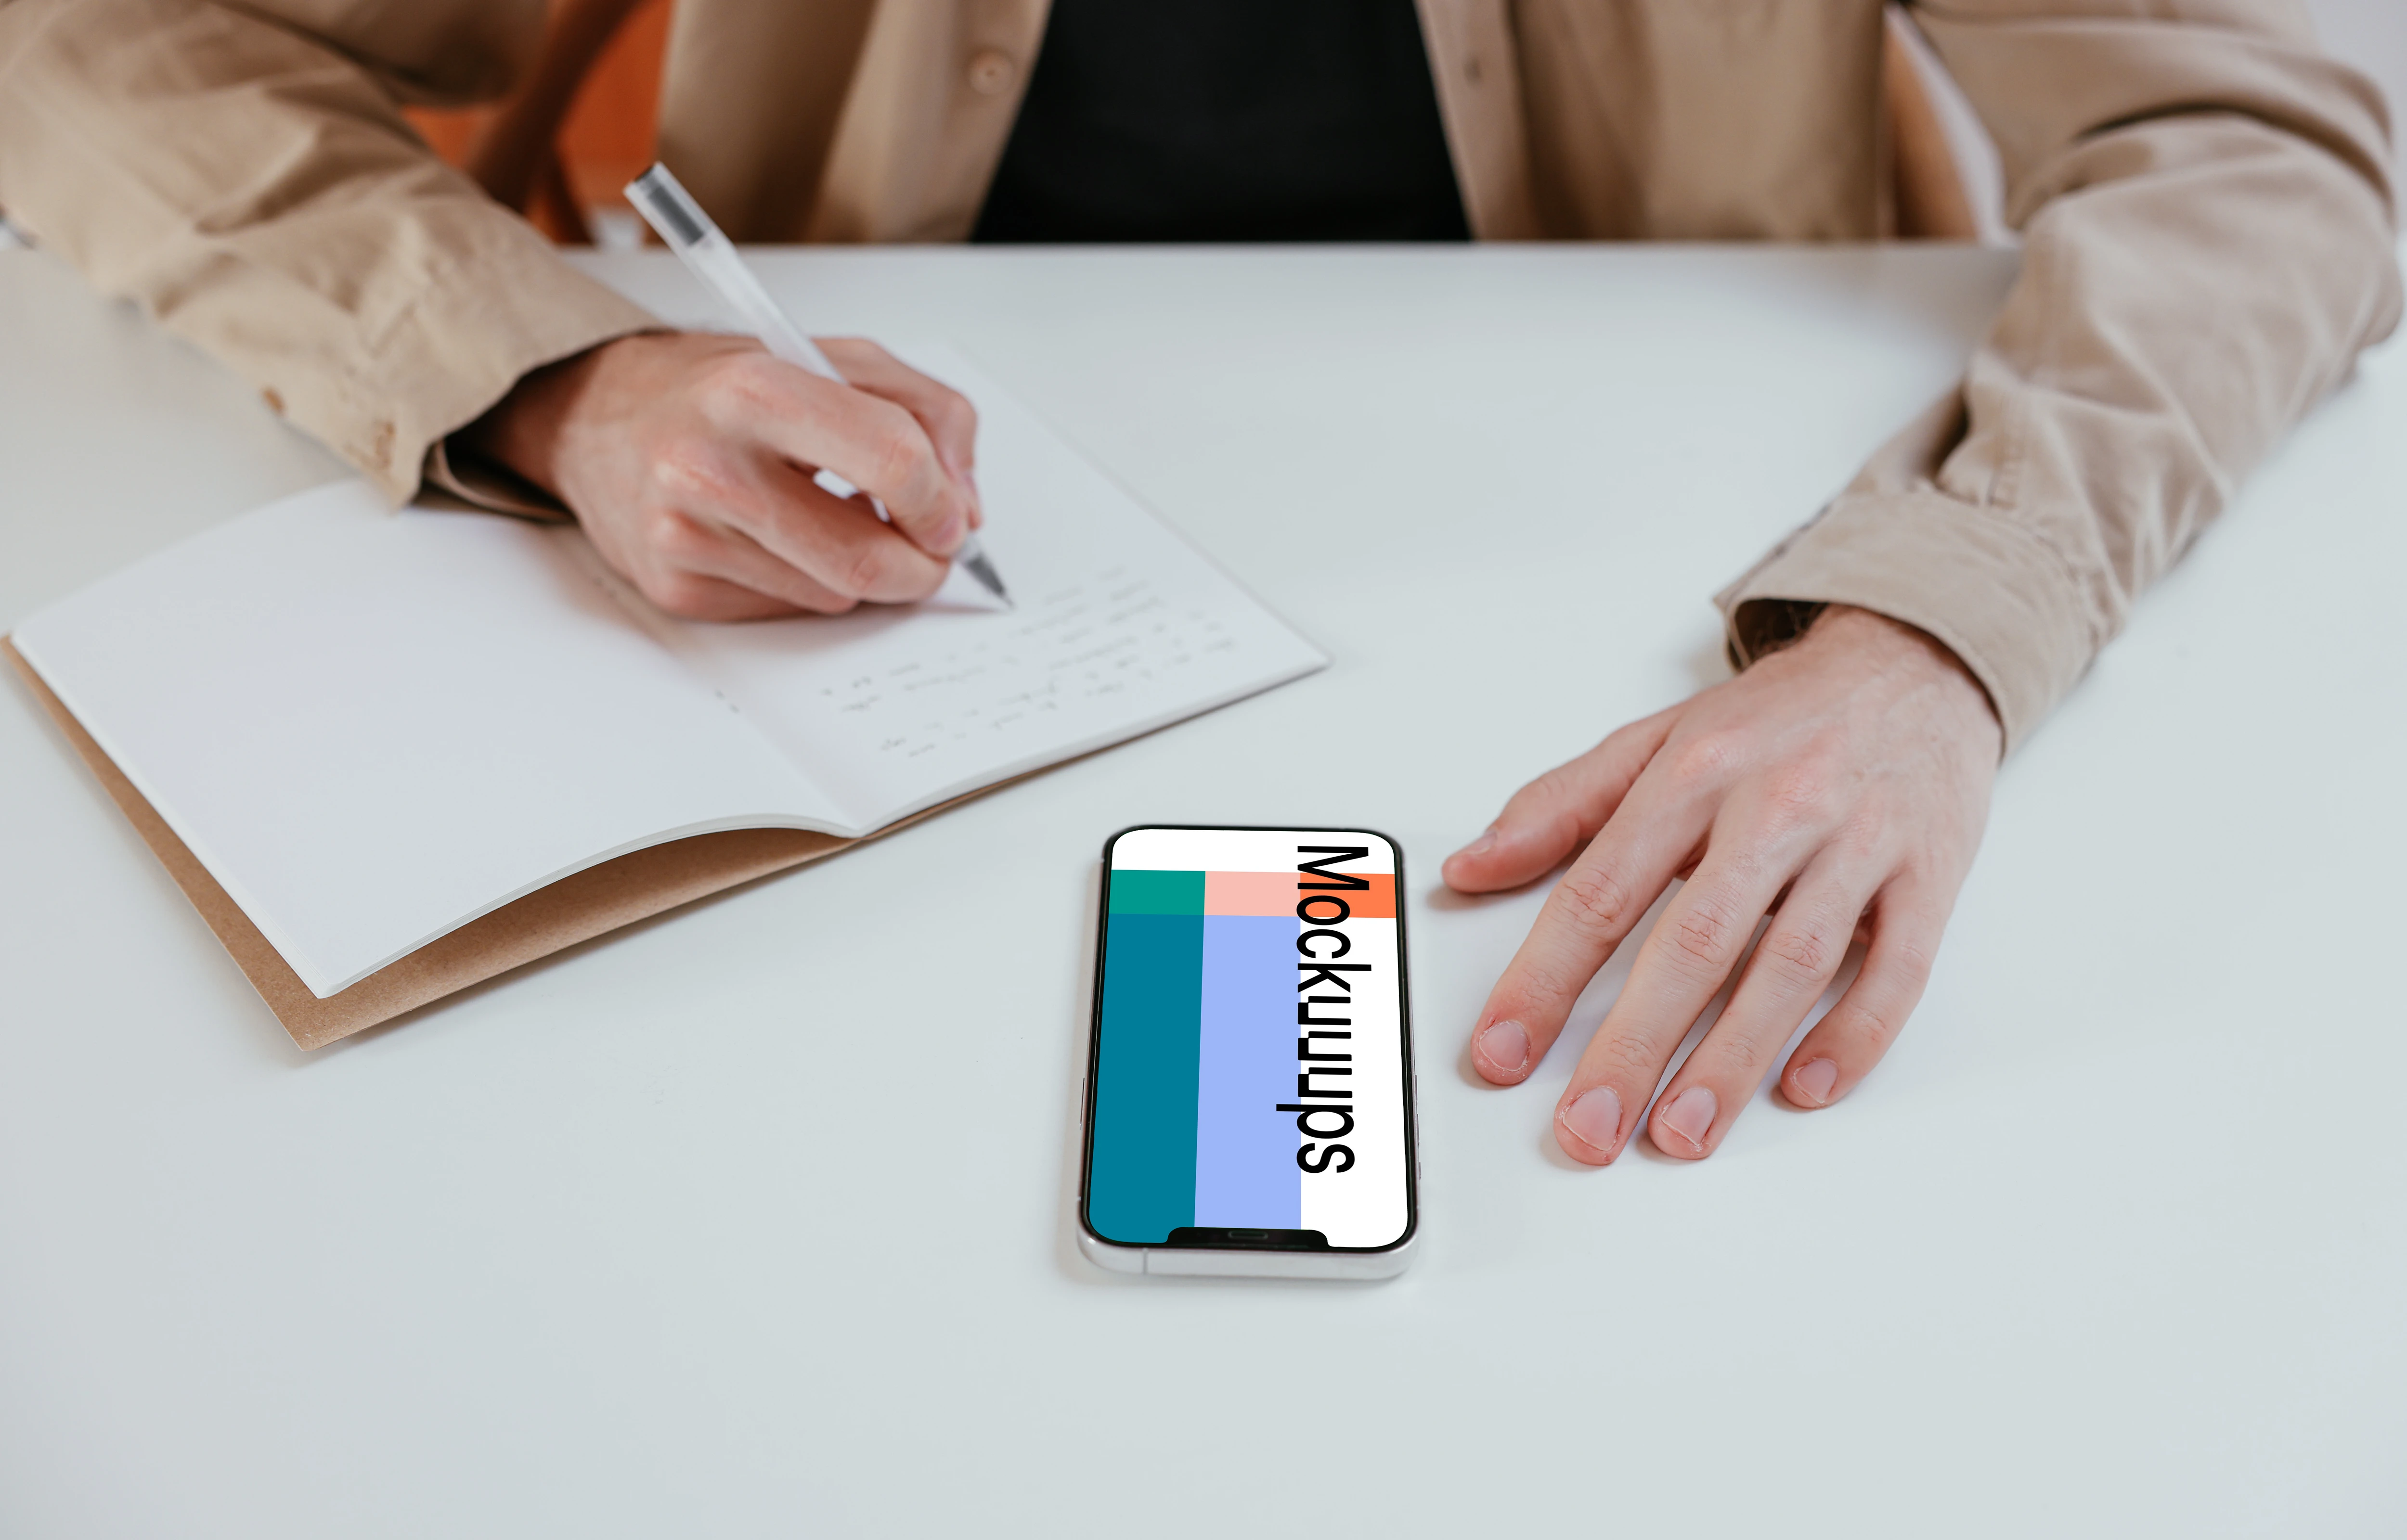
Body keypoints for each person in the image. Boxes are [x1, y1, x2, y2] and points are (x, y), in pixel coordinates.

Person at [1, 0, 2395, 1164]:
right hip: (865, 669)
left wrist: (1936, 620)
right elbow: (90, 48)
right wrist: (557, 376)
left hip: (1647, 588)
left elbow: (2271, 144)